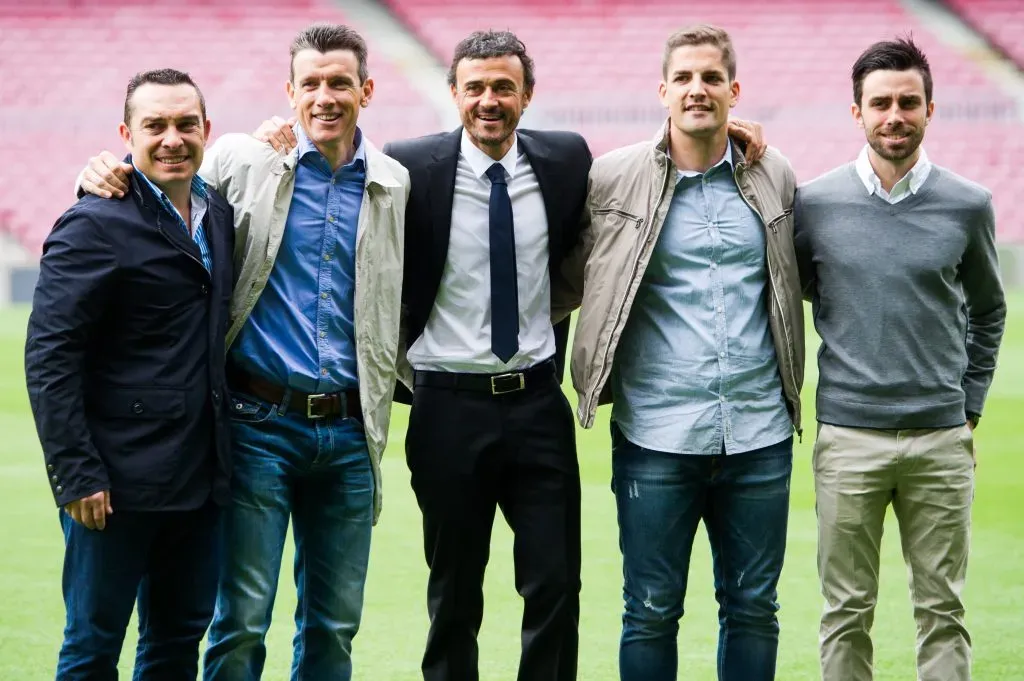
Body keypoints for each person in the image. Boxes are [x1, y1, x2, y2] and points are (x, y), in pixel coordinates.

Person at [73, 23, 410, 681]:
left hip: (349, 433)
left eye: (339, 82)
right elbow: (156, 188)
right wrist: (94, 175)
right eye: (310, 83)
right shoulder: (241, 159)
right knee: (241, 622)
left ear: (366, 90)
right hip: (259, 425)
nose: (325, 96)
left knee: (334, 626)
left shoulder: (394, 184)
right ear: (290, 92)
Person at [556, 24, 804, 681]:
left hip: (759, 434)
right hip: (656, 434)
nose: (698, 89)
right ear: (662, 90)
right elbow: (562, 274)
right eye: (685, 78)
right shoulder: (612, 178)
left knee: (753, 607)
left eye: (712, 78)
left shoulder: (772, 172)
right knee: (650, 609)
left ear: (734, 90)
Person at [794, 37, 1005, 681]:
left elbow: (989, 310)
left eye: (907, 103)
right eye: (880, 103)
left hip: (941, 439)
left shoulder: (968, 205)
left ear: (930, 109)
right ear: (856, 111)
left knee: (942, 609)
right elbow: (797, 292)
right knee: (845, 611)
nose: (894, 116)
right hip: (849, 437)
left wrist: (967, 408)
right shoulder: (815, 203)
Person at [26, 68, 234, 680]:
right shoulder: (93, 223)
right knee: (93, 648)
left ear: (206, 130)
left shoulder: (216, 212)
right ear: (126, 134)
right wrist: (75, 473)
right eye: (155, 126)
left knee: (175, 646)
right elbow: (50, 355)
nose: (172, 138)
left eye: (185, 124)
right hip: (112, 485)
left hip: (201, 481)